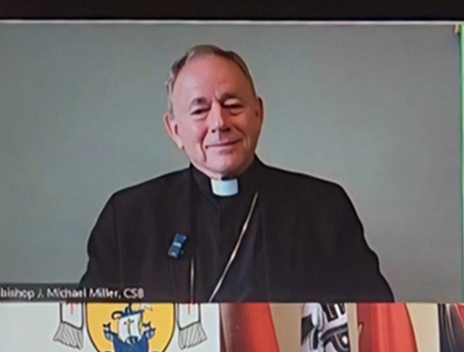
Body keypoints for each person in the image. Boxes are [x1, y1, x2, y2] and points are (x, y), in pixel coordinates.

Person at [79, 44, 393, 302]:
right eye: (200, 110)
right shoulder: (128, 217)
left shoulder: (323, 208)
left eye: (232, 104)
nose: (219, 123)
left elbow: (373, 319)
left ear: (258, 114)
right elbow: (91, 328)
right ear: (175, 130)